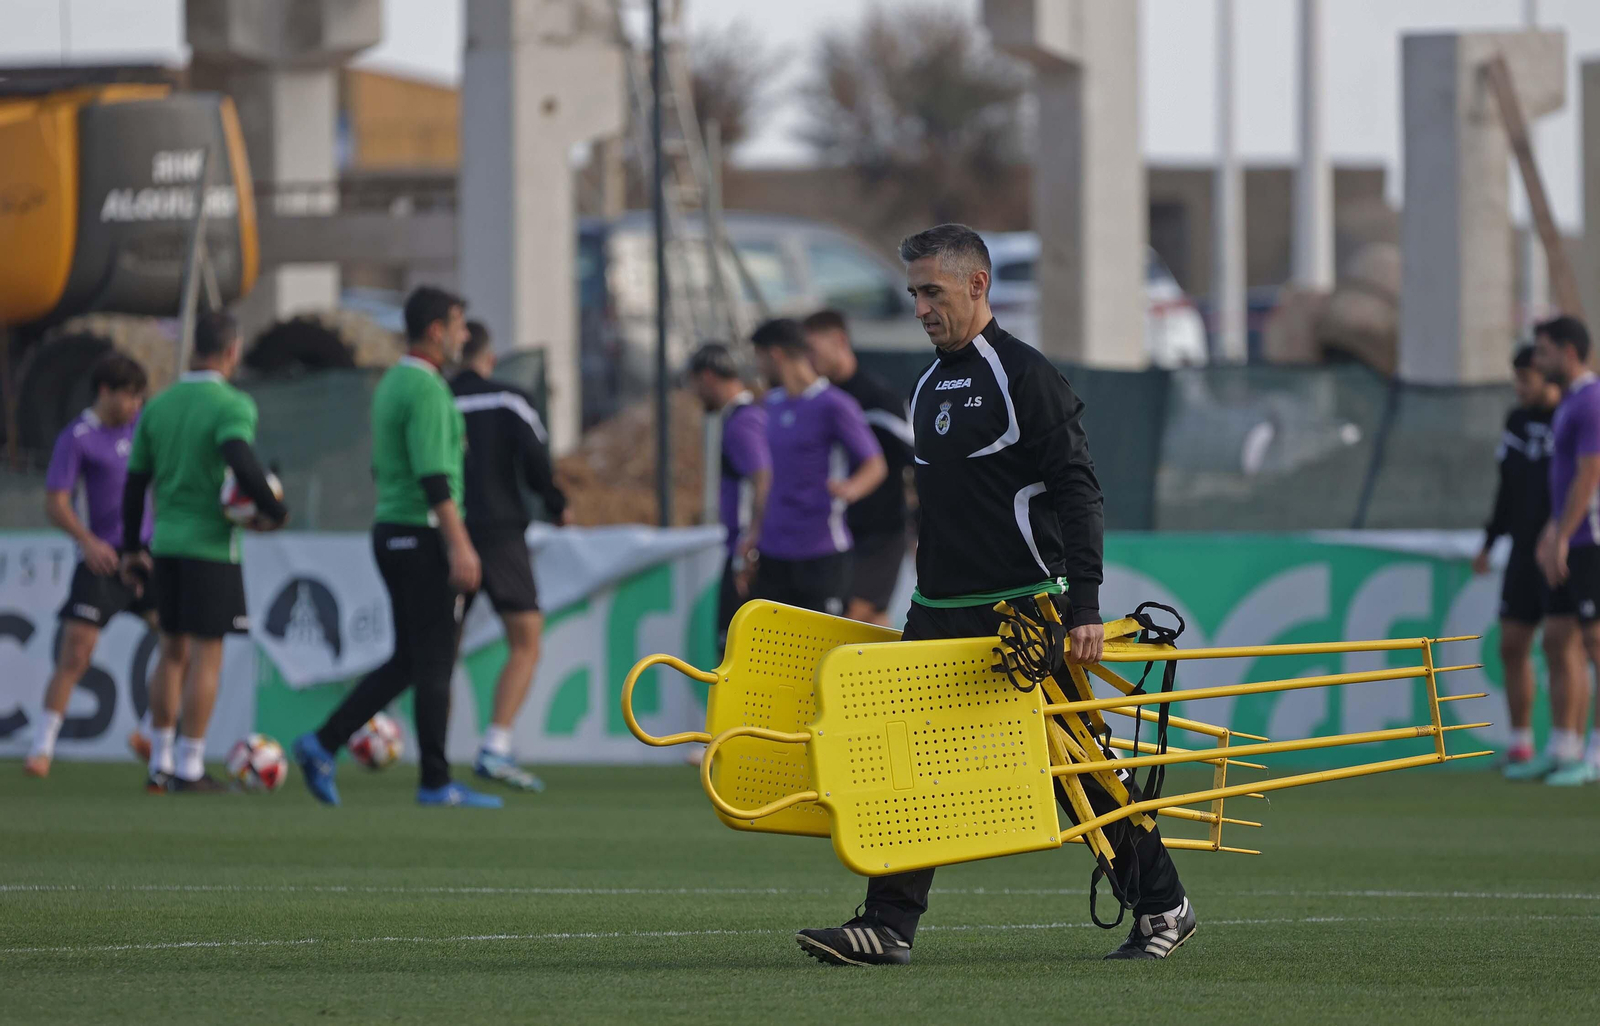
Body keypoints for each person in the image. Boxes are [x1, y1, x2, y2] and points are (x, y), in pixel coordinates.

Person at [795, 224, 1194, 966]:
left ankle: (1164, 905)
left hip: (1023, 614)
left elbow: (1079, 491)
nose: (920, 307)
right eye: (914, 292)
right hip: (938, 609)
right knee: (903, 760)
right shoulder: (926, 383)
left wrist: (1084, 604)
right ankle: (888, 925)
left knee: (1077, 771)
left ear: (977, 286)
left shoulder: (1026, 375)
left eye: (932, 292)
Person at [293, 287, 500, 808]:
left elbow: (381, 465)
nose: (463, 336)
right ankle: (435, 782)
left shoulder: (391, 383)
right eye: (457, 325)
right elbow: (434, 477)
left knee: (410, 660)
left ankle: (323, 742)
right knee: (433, 663)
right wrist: (461, 546)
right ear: (435, 330)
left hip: (392, 529)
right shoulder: (427, 389)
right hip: (423, 534)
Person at [120, 311, 288, 793]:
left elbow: (135, 486)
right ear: (232, 351)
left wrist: (133, 547)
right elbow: (240, 457)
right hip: (211, 549)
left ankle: (160, 764)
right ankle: (190, 767)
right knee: (206, 657)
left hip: (165, 546)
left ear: (195, 348)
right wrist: (276, 509)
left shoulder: (160, 405)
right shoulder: (231, 404)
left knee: (171, 652)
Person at [451, 320, 569, 792]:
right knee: (525, 640)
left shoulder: (434, 397)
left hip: (446, 532)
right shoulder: (508, 398)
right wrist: (556, 504)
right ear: (489, 356)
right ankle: (495, 746)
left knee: (440, 650)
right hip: (499, 533)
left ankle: (433, 763)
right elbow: (537, 458)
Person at [24, 354, 156, 777]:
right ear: (105, 391)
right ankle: (42, 747)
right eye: (128, 396)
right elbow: (55, 502)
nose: (135, 405)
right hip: (104, 560)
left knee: (181, 642)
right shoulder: (77, 437)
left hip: (148, 557)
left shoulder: (143, 428)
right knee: (77, 651)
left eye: (139, 397)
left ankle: (151, 732)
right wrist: (88, 541)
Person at [746, 319, 886, 616]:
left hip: (821, 552)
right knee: (769, 657)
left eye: (758, 358)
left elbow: (875, 464)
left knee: (819, 656)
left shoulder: (835, 404)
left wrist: (851, 488)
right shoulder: (769, 405)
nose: (757, 368)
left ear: (775, 355)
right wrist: (754, 534)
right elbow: (765, 477)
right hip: (772, 554)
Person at [1474, 345, 1567, 777]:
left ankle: (1571, 749)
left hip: (1564, 550)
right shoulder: (1516, 421)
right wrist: (1490, 541)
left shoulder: (1571, 416)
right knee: (1512, 645)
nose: (1518, 387)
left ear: (1548, 377)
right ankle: (1521, 744)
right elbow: (1506, 488)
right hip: (1521, 551)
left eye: (1525, 378)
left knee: (1564, 646)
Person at [802, 309, 915, 626]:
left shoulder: (877, 398)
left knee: (848, 620)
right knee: (871, 626)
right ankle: (891, 677)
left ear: (839, 341)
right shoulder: (819, 401)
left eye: (813, 349)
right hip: (838, 534)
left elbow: (918, 460)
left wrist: (924, 527)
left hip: (880, 536)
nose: (808, 359)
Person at [1533, 315, 1600, 786]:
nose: (1539, 362)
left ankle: (1596, 755)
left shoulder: (1593, 400)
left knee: (1596, 643)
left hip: (1591, 538)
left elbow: (1590, 474)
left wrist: (1565, 533)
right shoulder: (1569, 402)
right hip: (1567, 536)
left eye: (1544, 352)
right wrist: (1550, 530)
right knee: (1556, 638)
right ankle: (1563, 746)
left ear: (1568, 351)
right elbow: (1563, 479)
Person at [687, 342, 771, 651]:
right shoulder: (747, 416)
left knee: (733, 654)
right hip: (746, 548)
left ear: (708, 376)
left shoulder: (742, 422)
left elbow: (763, 480)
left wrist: (747, 551)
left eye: (694, 383)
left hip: (743, 551)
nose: (694, 393)